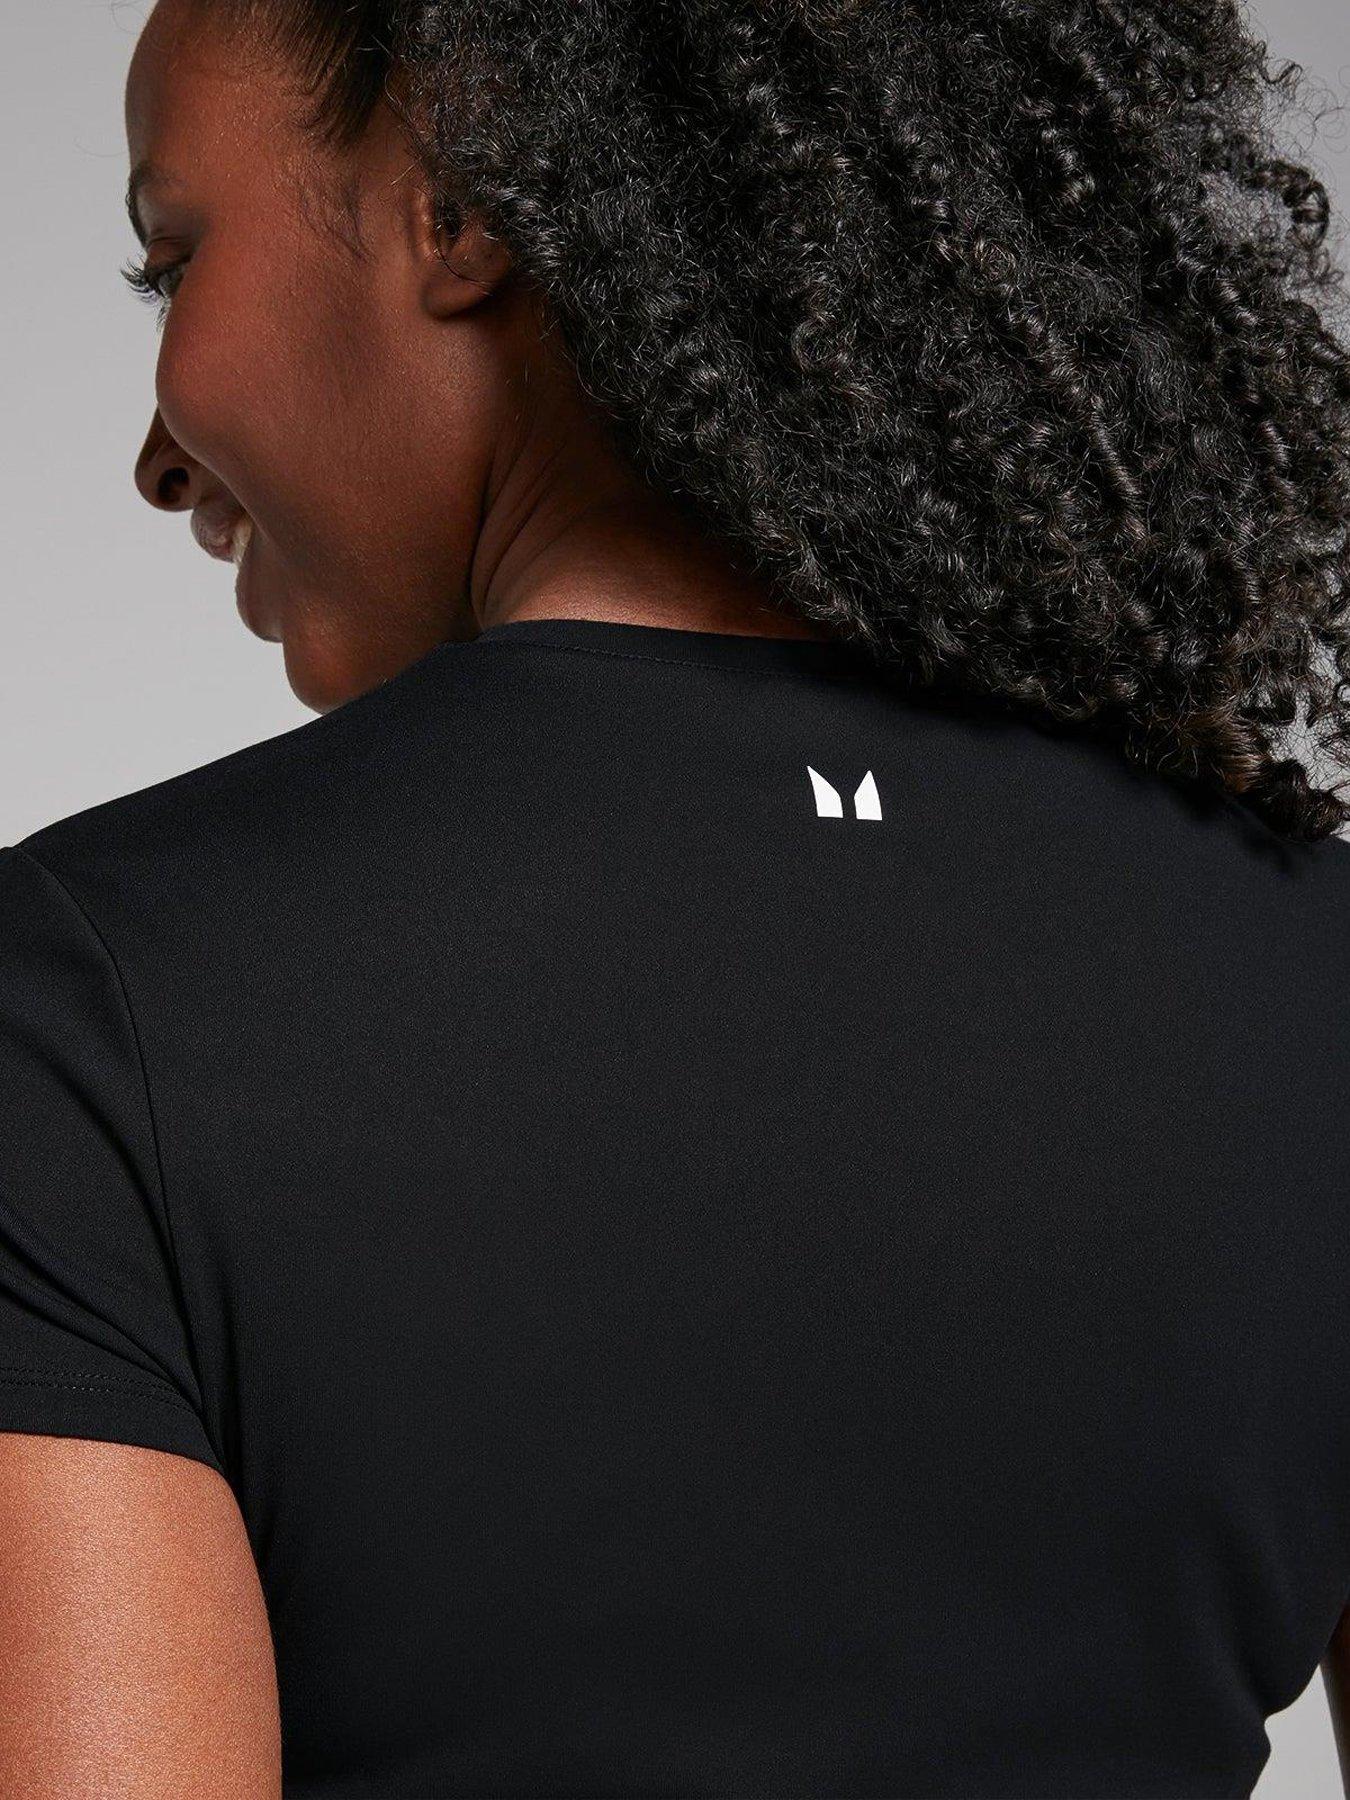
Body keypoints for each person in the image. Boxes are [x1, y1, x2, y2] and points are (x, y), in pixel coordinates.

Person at [2, 0, 1350, 1793]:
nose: (159, 457)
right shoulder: (1313, 973)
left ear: (462, 196)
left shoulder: (82, 1001)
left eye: (175, 260)